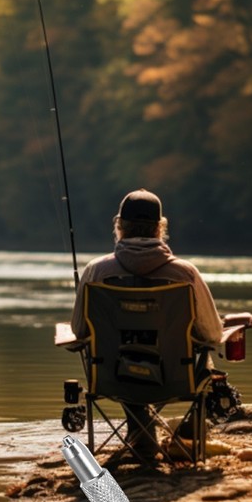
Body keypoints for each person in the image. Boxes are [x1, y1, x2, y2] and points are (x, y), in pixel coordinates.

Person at [71, 188, 223, 459]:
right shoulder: (185, 273)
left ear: (119, 226)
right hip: (176, 379)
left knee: (125, 351)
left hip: (114, 379)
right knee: (203, 355)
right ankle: (187, 435)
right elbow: (212, 334)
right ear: (159, 228)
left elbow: (79, 331)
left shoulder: (96, 271)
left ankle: (142, 434)